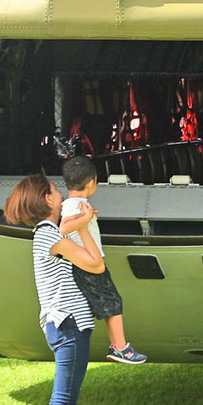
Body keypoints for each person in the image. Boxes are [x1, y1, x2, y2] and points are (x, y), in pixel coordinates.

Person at [4, 174, 104, 405]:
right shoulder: (49, 234)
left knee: (63, 399)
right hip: (69, 324)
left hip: (63, 324)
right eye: (54, 190)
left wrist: (78, 223)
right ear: (47, 199)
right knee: (63, 400)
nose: (60, 192)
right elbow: (95, 264)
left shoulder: (48, 232)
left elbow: (70, 238)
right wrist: (85, 227)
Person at [61, 156, 147, 365]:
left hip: (85, 262)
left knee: (108, 301)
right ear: (91, 183)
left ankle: (118, 346)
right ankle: (119, 347)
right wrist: (85, 219)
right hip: (88, 263)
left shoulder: (73, 204)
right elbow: (63, 227)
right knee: (113, 302)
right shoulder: (78, 206)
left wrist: (87, 218)